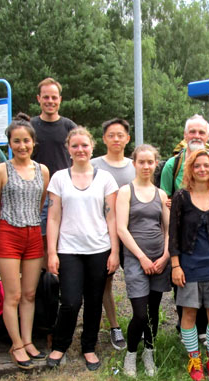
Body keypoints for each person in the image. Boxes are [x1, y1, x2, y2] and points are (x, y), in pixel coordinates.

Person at [45, 127, 119, 371]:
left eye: (84, 145)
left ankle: (89, 347)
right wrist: (52, 252)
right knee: (69, 301)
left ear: (92, 147)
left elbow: (111, 218)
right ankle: (60, 344)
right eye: (75, 146)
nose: (80, 150)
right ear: (68, 149)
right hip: (69, 250)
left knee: (94, 301)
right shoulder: (58, 178)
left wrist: (115, 252)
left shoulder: (106, 179)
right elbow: (53, 218)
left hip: (99, 249)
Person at [160, 114, 209, 340]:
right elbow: (164, 197)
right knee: (187, 304)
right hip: (185, 241)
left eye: (201, 132)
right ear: (185, 135)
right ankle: (190, 342)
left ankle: (206, 340)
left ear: (208, 136)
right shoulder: (173, 164)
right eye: (193, 132)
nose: (197, 136)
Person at [0, 114, 49, 370]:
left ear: (33, 143)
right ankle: (16, 343)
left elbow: (41, 201)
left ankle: (27, 339)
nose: (22, 146)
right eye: (16, 141)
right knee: (12, 294)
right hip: (9, 233)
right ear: (9, 144)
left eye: (26, 141)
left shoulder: (42, 170)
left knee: (30, 293)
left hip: (33, 233)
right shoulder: (1, 170)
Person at [169, 148, 209, 381]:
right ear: (190, 169)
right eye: (197, 165)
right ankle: (194, 360)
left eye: (206, 165)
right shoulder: (181, 197)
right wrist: (175, 266)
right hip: (189, 266)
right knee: (189, 313)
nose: (202, 169)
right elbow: (173, 235)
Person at [116, 144, 171, 377]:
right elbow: (121, 228)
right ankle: (131, 354)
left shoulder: (161, 195)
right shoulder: (126, 191)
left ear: (156, 163)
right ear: (134, 163)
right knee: (140, 313)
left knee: (153, 311)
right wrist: (142, 258)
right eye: (142, 162)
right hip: (136, 260)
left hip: (160, 261)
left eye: (150, 162)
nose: (146, 166)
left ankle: (149, 352)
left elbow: (169, 229)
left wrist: (165, 256)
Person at [91, 118, 135, 351]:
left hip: (132, 233)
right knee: (104, 281)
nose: (116, 139)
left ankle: (142, 323)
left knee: (137, 278)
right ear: (104, 139)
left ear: (128, 138)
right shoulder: (93, 165)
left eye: (120, 135)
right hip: (102, 232)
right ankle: (113, 326)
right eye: (111, 135)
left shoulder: (136, 165)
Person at [30, 78, 77, 236]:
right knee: (42, 237)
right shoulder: (30, 127)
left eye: (54, 97)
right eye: (46, 97)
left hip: (65, 191)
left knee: (65, 236)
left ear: (60, 100)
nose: (50, 101)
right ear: (39, 99)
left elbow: (78, 159)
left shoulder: (69, 127)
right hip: (38, 193)